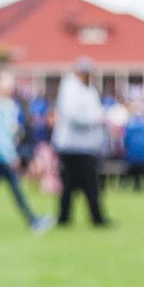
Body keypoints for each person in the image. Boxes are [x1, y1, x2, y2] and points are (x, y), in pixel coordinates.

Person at [0, 71, 46, 232]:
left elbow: (8, 131)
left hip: (0, 155)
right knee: (11, 190)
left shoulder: (7, 105)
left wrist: (16, 133)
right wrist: (10, 155)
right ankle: (32, 221)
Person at [53, 58, 111, 227]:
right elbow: (73, 115)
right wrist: (96, 119)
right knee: (88, 183)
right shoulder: (71, 89)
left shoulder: (86, 89)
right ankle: (95, 218)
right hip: (75, 145)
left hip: (84, 145)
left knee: (71, 184)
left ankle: (65, 218)